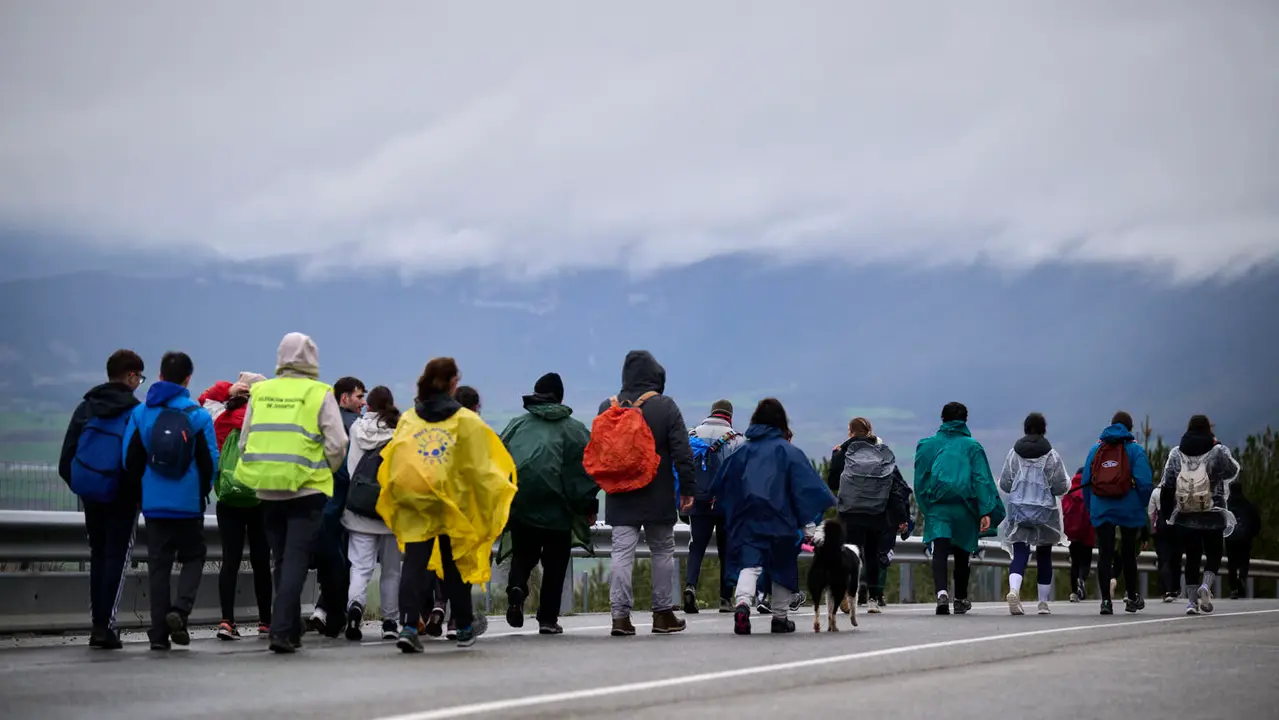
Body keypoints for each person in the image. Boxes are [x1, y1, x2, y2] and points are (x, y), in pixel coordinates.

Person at [380, 357, 516, 653]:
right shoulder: (466, 421)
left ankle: (407, 626)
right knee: (455, 565)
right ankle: (464, 627)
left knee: (415, 564)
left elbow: (392, 460)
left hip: (415, 501)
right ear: (454, 383)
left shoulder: (408, 418)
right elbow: (481, 468)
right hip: (451, 502)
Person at [236, 332, 349, 653]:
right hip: (306, 490)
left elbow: (245, 442)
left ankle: (285, 625)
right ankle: (283, 629)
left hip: (268, 489)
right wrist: (324, 469)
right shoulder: (318, 392)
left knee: (281, 559)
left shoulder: (261, 391)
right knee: (296, 559)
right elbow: (338, 443)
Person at [712, 398, 835, 634]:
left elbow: (725, 486)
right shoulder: (788, 452)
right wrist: (808, 525)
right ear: (781, 422)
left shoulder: (743, 452)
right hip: (782, 519)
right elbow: (804, 490)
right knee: (782, 565)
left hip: (748, 519)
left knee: (750, 564)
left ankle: (742, 604)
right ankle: (780, 617)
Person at [121, 351, 218, 651]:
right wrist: (200, 492)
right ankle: (180, 611)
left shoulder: (141, 414)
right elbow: (209, 463)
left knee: (158, 566)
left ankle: (159, 634)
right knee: (193, 556)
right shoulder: (198, 415)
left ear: (161, 376)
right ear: (188, 379)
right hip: (188, 504)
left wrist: (145, 489)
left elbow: (129, 459)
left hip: (154, 504)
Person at [595, 351, 696, 637]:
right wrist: (688, 490)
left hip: (619, 494)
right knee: (662, 551)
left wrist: (593, 495)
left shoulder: (607, 406)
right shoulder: (665, 407)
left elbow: (599, 454)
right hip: (657, 492)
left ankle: (620, 618)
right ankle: (663, 615)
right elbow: (682, 453)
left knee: (621, 553)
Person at [58, 349, 145, 650]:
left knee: (98, 554)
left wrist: (86, 485)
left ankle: (98, 623)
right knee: (117, 559)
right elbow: (138, 460)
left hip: (92, 495)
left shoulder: (86, 407)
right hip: (122, 497)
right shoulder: (136, 412)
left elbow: (66, 458)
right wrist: (135, 496)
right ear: (132, 376)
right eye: (139, 377)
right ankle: (105, 626)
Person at [500, 372, 600, 634]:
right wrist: (590, 507)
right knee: (555, 563)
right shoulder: (575, 429)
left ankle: (517, 588)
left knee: (523, 554)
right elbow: (587, 471)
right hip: (559, 510)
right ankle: (547, 619)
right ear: (560, 397)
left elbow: (497, 458)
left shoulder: (516, 425)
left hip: (523, 505)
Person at [914, 402, 1002, 616]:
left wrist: (928, 507)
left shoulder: (927, 445)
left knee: (940, 550)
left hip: (938, 506)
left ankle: (941, 593)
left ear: (942, 419)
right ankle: (960, 598)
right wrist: (986, 511)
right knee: (963, 552)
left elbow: (919, 481)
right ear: (964, 420)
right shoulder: (973, 447)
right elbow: (982, 479)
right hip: (964, 508)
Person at [1159, 415, 1240, 615]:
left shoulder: (1176, 453)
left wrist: (1169, 515)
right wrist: (1219, 448)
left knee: (1192, 557)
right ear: (1208, 429)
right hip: (1214, 512)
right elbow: (1232, 472)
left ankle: (1192, 603)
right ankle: (1206, 585)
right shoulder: (1217, 451)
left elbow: (1167, 484)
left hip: (1187, 514)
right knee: (1213, 554)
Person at [829, 417, 910, 614]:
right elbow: (892, 488)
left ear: (851, 432)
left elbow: (832, 482)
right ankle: (873, 599)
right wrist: (901, 517)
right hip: (876, 513)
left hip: (850, 512)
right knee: (872, 554)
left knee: (850, 553)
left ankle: (849, 593)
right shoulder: (881, 454)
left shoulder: (843, 452)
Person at [212, 372, 272, 640]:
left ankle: (227, 621)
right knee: (261, 561)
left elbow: (204, 397)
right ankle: (265, 622)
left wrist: (227, 390)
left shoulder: (220, 417)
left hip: (228, 498)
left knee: (230, 561)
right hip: (259, 497)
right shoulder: (264, 420)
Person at [342, 386, 403, 642]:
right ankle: (390, 622)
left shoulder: (357, 429)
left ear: (369, 406)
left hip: (360, 510)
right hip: (390, 511)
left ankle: (355, 608)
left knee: (361, 567)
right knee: (391, 570)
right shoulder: (400, 431)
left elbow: (350, 466)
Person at [1081, 411, 1154, 615]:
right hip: (1129, 509)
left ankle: (1106, 601)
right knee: (1128, 553)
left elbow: (1086, 482)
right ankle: (1131, 597)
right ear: (1130, 429)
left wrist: (1091, 508)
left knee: (1105, 554)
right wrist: (1140, 505)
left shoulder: (1096, 450)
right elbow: (1145, 483)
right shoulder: (1135, 450)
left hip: (1101, 507)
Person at [308, 376, 365, 635]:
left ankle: (322, 611)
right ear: (344, 398)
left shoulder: (320, 422)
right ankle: (332, 615)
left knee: (324, 560)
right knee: (341, 563)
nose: (363, 403)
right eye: (359, 396)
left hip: (315, 502)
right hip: (342, 506)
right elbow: (347, 472)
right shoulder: (354, 426)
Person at [998, 413, 1070, 615]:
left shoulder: (1014, 453)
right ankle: (1043, 603)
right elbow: (1060, 486)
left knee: (1020, 552)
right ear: (1043, 430)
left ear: (1025, 429)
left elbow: (1005, 483)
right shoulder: (1052, 455)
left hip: (1019, 510)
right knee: (1044, 554)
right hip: (1045, 513)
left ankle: (1014, 590)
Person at [682, 400, 745, 614]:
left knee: (696, 546)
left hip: (698, 501)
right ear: (729, 416)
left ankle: (690, 586)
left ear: (711, 413)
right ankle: (726, 599)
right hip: (726, 503)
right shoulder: (737, 439)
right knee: (726, 549)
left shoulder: (693, 435)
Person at [1148, 467, 1183, 603]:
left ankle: (1167, 590)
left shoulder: (1156, 492)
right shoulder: (1179, 490)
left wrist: (1153, 528)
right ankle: (1175, 587)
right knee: (1176, 558)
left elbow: (1151, 513)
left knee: (1164, 559)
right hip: (1177, 526)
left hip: (1162, 527)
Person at [1062, 467, 1095, 603]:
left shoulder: (1068, 491)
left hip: (1071, 533)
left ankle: (1074, 593)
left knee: (1074, 562)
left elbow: (1062, 511)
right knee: (1085, 561)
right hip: (1087, 531)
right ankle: (1081, 579)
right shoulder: (1089, 490)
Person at [1226, 478, 1261, 599]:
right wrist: (1252, 535)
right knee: (1244, 561)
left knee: (1231, 564)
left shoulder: (1227, 504)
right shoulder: (1248, 505)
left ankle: (1234, 589)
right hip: (1245, 539)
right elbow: (1256, 522)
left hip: (1230, 539)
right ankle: (1241, 578)